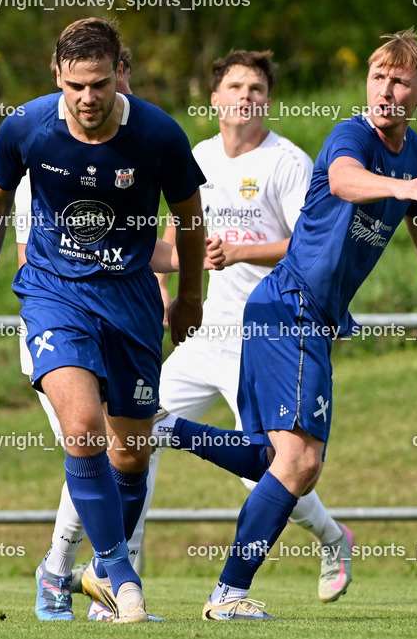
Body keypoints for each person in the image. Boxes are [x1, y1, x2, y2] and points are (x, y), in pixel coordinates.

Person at [153, 29, 417, 620]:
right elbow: (344, 180)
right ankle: (228, 595)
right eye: (378, 78)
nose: (386, 91)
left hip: (293, 315)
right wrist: (401, 187)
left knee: (272, 462)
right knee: (302, 464)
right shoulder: (351, 136)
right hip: (290, 307)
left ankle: (164, 426)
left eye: (400, 82)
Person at [0, 17, 206, 624]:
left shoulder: (158, 135)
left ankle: (74, 572)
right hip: (53, 295)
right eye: (75, 86)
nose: (87, 99)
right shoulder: (27, 126)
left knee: (132, 457)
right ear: (57, 76)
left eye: (99, 84)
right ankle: (122, 578)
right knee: (81, 431)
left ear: (119, 75)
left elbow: (191, 221)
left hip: (129, 301)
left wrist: (191, 299)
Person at [148, 50, 356, 609]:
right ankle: (117, 578)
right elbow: (180, 228)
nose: (247, 95)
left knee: (269, 469)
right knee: (138, 429)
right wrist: (170, 295)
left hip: (266, 335)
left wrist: (240, 252)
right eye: (236, 86)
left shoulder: (288, 163)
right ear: (214, 98)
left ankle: (332, 538)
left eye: (258, 88)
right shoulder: (197, 155)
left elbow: (306, 246)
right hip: (204, 331)